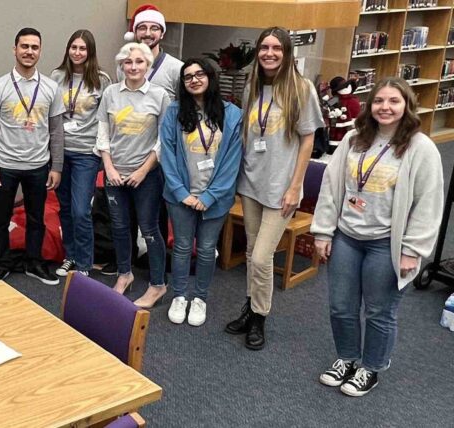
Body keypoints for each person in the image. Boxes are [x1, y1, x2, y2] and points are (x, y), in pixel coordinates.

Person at [312, 77, 443, 397]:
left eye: (394, 101)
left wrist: (413, 249)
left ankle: (370, 366)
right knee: (340, 306)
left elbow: (429, 202)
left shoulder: (420, 147)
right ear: (370, 106)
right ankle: (347, 358)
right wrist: (323, 231)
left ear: (406, 106)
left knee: (379, 310)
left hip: (387, 242)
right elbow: (331, 187)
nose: (385, 107)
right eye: (379, 101)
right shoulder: (354, 140)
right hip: (347, 236)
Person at [226, 27, 324, 350]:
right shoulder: (252, 87)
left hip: (282, 187)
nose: (269, 53)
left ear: (286, 53)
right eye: (264, 47)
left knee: (261, 257)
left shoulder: (301, 89)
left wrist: (296, 187)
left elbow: (308, 138)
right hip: (251, 183)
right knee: (253, 253)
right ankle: (250, 306)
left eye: (276, 48)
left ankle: (259, 318)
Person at [160, 58, 243, 326]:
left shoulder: (231, 114)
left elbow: (232, 160)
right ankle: (180, 295)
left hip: (215, 199)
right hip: (180, 196)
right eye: (188, 77)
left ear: (210, 77)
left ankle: (200, 298)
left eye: (200, 74)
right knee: (182, 248)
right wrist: (181, 191)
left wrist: (209, 196)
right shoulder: (173, 112)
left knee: (207, 250)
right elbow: (168, 155)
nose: (194, 80)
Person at [0, 27, 65, 285]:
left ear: (40, 51)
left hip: (39, 165)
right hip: (5, 165)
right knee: (0, 218)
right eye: (24, 46)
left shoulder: (51, 88)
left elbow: (56, 130)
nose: (29, 52)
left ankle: (34, 263)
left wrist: (57, 166)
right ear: (15, 49)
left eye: (34, 47)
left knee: (36, 218)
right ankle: (1, 263)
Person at [95, 42, 170, 308]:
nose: (133, 66)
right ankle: (124, 274)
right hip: (115, 174)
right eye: (128, 62)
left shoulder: (160, 96)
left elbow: (164, 140)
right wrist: (109, 167)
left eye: (139, 61)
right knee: (119, 228)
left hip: (146, 177)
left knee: (150, 230)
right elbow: (103, 133)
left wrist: (143, 170)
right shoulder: (111, 94)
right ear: (121, 66)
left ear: (148, 65)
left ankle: (158, 284)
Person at [50, 29, 112, 278]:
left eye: (82, 48)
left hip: (87, 153)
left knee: (80, 210)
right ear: (68, 49)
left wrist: (103, 150)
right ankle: (70, 256)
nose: (77, 52)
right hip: (60, 152)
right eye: (73, 47)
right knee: (64, 207)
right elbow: (50, 115)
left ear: (90, 52)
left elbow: (107, 119)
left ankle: (85, 263)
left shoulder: (101, 79)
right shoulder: (56, 76)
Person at [120, 3, 183, 99]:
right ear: (135, 33)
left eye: (154, 28)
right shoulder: (123, 66)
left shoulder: (177, 68)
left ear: (162, 34)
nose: (148, 33)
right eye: (142, 28)